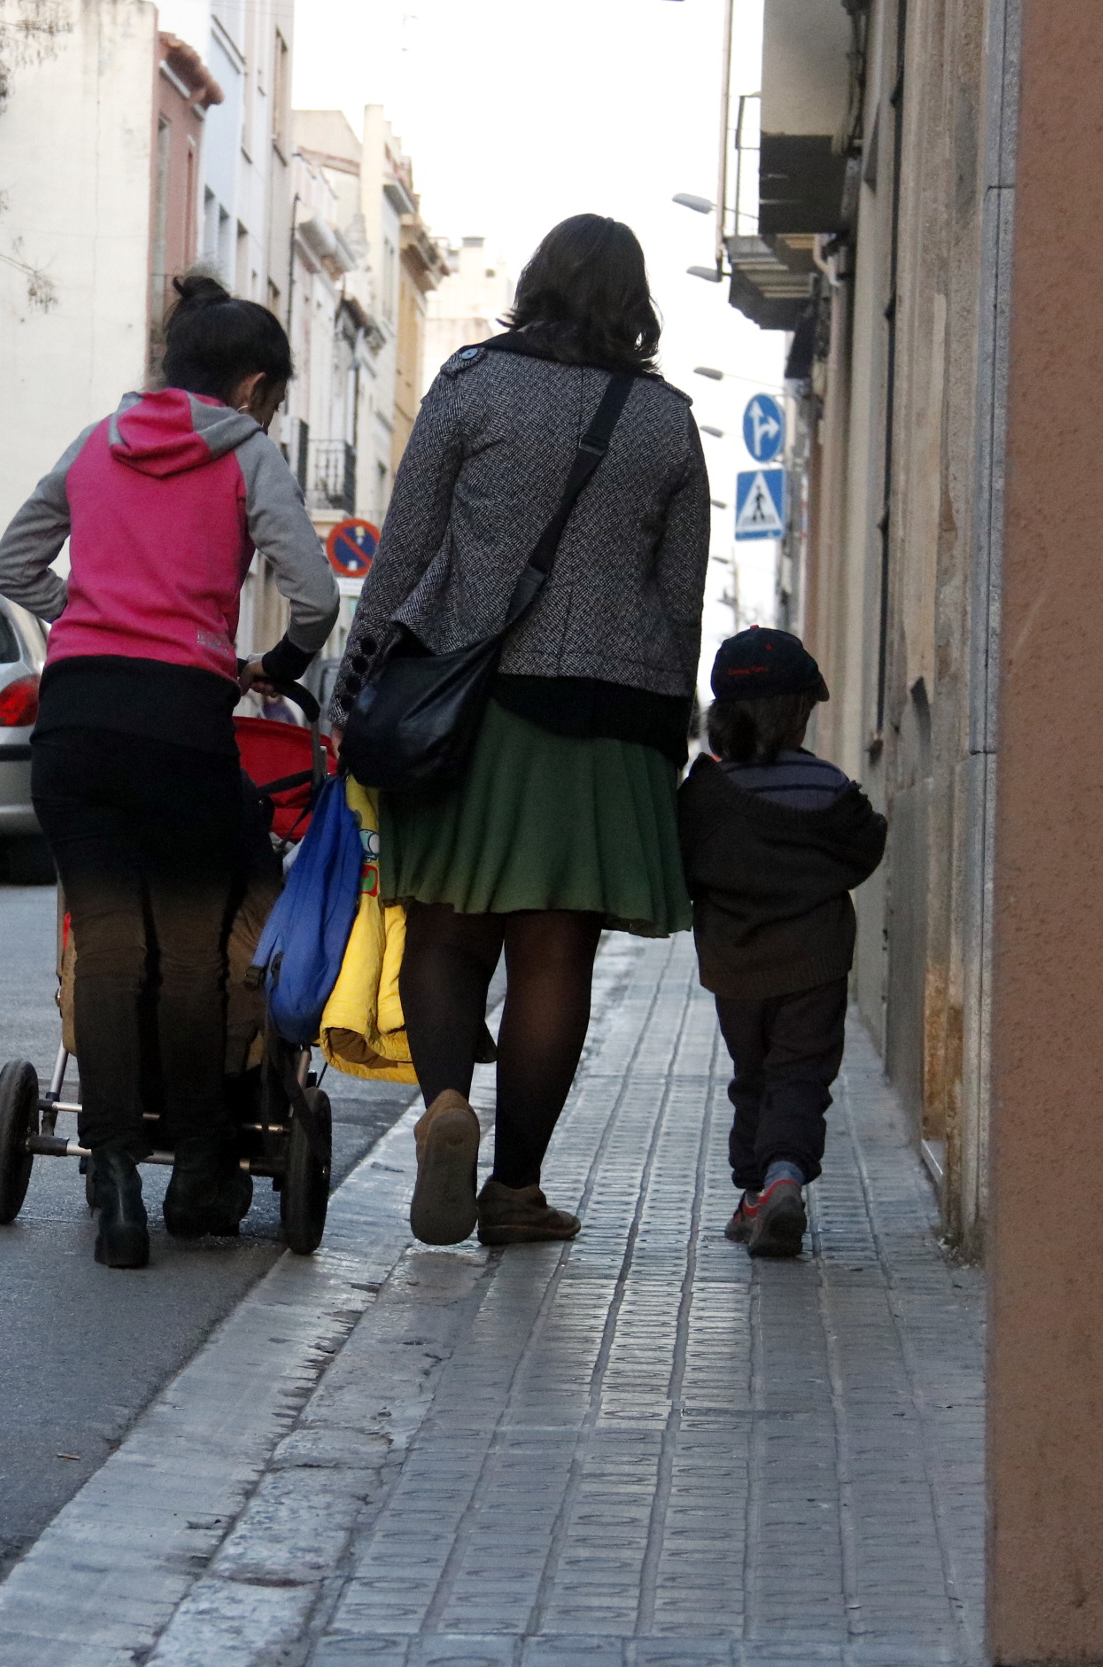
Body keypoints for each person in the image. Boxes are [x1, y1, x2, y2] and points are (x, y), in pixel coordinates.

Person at [329, 214, 707, 1248]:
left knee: (445, 932)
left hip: (466, 707)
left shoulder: (471, 384)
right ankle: (514, 1188)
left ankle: (446, 1102)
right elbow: (679, 602)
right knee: (556, 955)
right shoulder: (666, 422)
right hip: (609, 719)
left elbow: (402, 555)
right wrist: (666, 730)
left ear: (535, 282)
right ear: (637, 306)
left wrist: (350, 691)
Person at [0, 274, 339, 1269]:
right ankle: (197, 1166)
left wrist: (94, 615)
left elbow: (10, 567)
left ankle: (111, 1175)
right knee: (189, 953)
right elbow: (311, 596)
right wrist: (270, 666)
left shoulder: (94, 442)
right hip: (180, 726)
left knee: (105, 944)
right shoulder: (246, 450)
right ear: (255, 383)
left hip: (77, 721)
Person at [677, 628, 887, 1257]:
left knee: (753, 1076)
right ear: (800, 712)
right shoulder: (829, 788)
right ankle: (783, 1179)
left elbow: (683, 859)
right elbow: (865, 845)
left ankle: (753, 1196)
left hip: (735, 969)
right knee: (799, 1076)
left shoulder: (706, 791)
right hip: (815, 962)